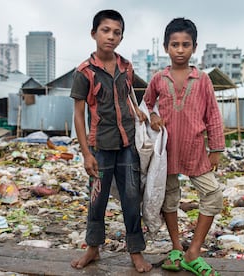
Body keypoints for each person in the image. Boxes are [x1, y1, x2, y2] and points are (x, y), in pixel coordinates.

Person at [70, 9, 152, 273]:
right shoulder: (84, 72)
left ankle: (135, 251)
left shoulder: (126, 67)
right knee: (97, 199)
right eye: (105, 31)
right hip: (100, 147)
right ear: (94, 33)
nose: (111, 37)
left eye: (117, 32)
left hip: (127, 144)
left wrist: (138, 110)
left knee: (131, 197)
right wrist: (86, 154)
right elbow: (79, 115)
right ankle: (93, 248)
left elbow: (127, 95)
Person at [143, 17, 224, 276]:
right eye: (175, 44)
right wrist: (153, 116)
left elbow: (212, 114)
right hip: (166, 152)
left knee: (213, 195)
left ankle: (194, 252)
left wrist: (216, 149)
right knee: (170, 199)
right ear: (166, 47)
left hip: (195, 149)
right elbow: (145, 107)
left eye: (185, 44)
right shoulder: (158, 78)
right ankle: (177, 248)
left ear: (194, 47)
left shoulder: (202, 80)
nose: (180, 49)